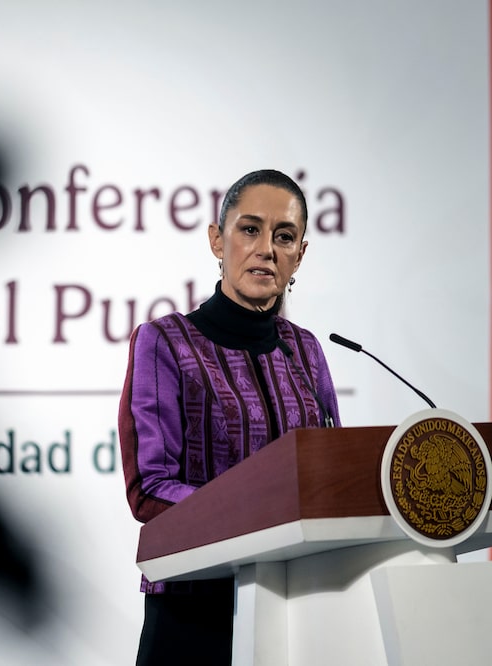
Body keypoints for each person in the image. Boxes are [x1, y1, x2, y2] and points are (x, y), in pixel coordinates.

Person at [117, 168, 342, 665]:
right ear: (218, 241)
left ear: (300, 254)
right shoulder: (166, 342)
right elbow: (149, 488)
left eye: (284, 236)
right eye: (250, 229)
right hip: (195, 612)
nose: (266, 249)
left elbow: (331, 479)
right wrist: (262, 514)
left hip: (297, 610)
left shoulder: (307, 351)